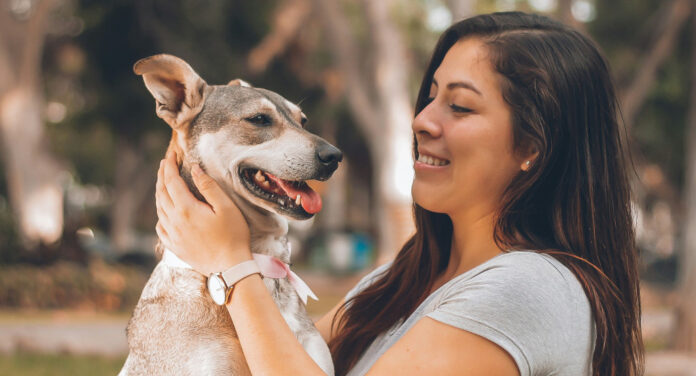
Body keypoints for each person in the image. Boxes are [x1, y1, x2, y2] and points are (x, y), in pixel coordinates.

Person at [154, 11, 644, 376]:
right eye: (431, 96)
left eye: (460, 107)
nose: (422, 120)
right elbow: (267, 358)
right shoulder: (400, 279)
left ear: (532, 148)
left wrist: (231, 262)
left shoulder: (527, 289)